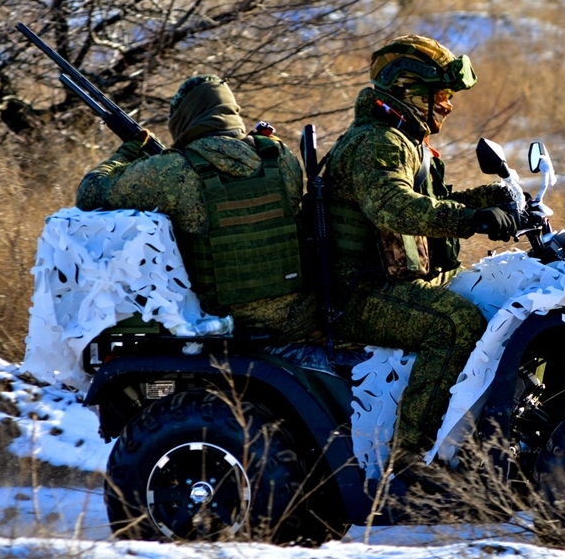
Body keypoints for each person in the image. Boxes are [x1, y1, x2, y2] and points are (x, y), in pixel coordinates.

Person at [325, 34, 518, 467]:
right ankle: (410, 458)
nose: (448, 105)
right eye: (442, 95)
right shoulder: (376, 143)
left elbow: (434, 200)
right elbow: (394, 206)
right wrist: (474, 221)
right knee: (454, 325)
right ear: (408, 90)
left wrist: (491, 199)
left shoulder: (404, 141)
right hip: (361, 293)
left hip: (395, 283)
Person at [76, 74, 318, 343]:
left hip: (223, 326)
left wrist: (128, 153)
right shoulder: (280, 156)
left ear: (183, 119)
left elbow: (90, 195)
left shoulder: (172, 169)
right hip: (297, 322)